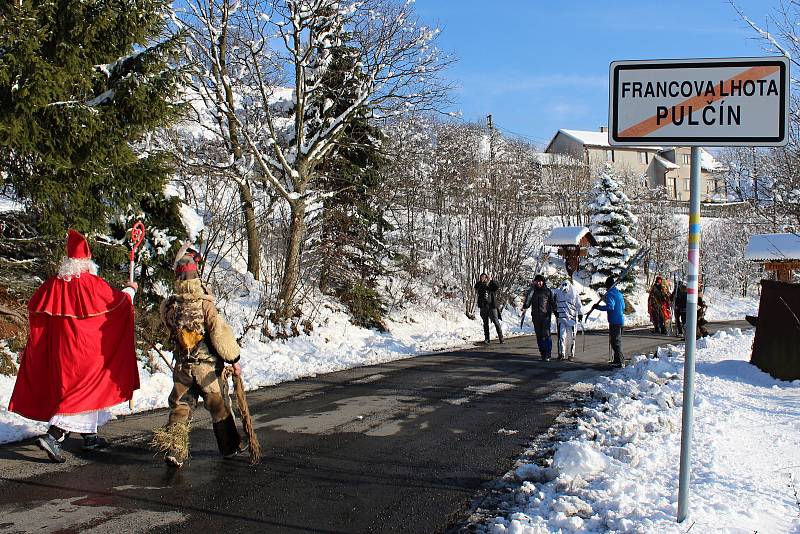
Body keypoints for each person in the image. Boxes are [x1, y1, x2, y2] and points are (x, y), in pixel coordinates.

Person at [9, 230, 139, 463]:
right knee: (83, 391)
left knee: (77, 389)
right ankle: (54, 435)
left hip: (62, 352)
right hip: (87, 352)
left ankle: (90, 436)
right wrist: (130, 290)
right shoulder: (93, 284)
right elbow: (118, 304)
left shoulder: (52, 285)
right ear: (87, 262)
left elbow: (36, 312)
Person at [158, 246, 245, 468]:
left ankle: (175, 451)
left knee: (180, 408)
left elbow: (165, 317)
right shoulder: (206, 306)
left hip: (183, 369)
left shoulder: (170, 306)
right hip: (206, 371)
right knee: (218, 406)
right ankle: (229, 447)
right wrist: (234, 360)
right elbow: (219, 335)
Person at [523, 274, 556, 361]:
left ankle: (548, 354)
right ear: (535, 282)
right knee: (539, 336)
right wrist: (525, 304)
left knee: (546, 335)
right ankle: (543, 354)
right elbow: (527, 303)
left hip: (545, 317)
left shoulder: (547, 291)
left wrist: (556, 312)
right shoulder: (532, 291)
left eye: (540, 281)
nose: (539, 283)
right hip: (536, 318)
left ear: (543, 282)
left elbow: (553, 303)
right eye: (537, 281)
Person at [594, 276, 626, 368]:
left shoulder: (610, 294)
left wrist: (598, 307)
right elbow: (623, 306)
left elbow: (610, 307)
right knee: (616, 341)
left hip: (615, 321)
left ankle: (620, 361)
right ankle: (617, 360)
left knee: (615, 342)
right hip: (620, 320)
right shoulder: (618, 293)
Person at [553, 279, 582, 361]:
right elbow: (553, 301)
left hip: (571, 320)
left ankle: (570, 354)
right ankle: (561, 353)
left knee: (571, 338)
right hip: (561, 318)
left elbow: (579, 305)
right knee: (561, 337)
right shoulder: (558, 293)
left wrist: (580, 314)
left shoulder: (574, 293)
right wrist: (555, 310)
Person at [474, 273, 503, 344]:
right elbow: (476, 287)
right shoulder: (479, 285)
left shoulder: (491, 285)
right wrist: (482, 282)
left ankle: (501, 338)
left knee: (496, 322)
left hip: (491, 306)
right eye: (482, 277)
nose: (483, 278)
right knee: (485, 323)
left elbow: (497, 286)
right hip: (483, 307)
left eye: (484, 277)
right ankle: (487, 339)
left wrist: (491, 280)